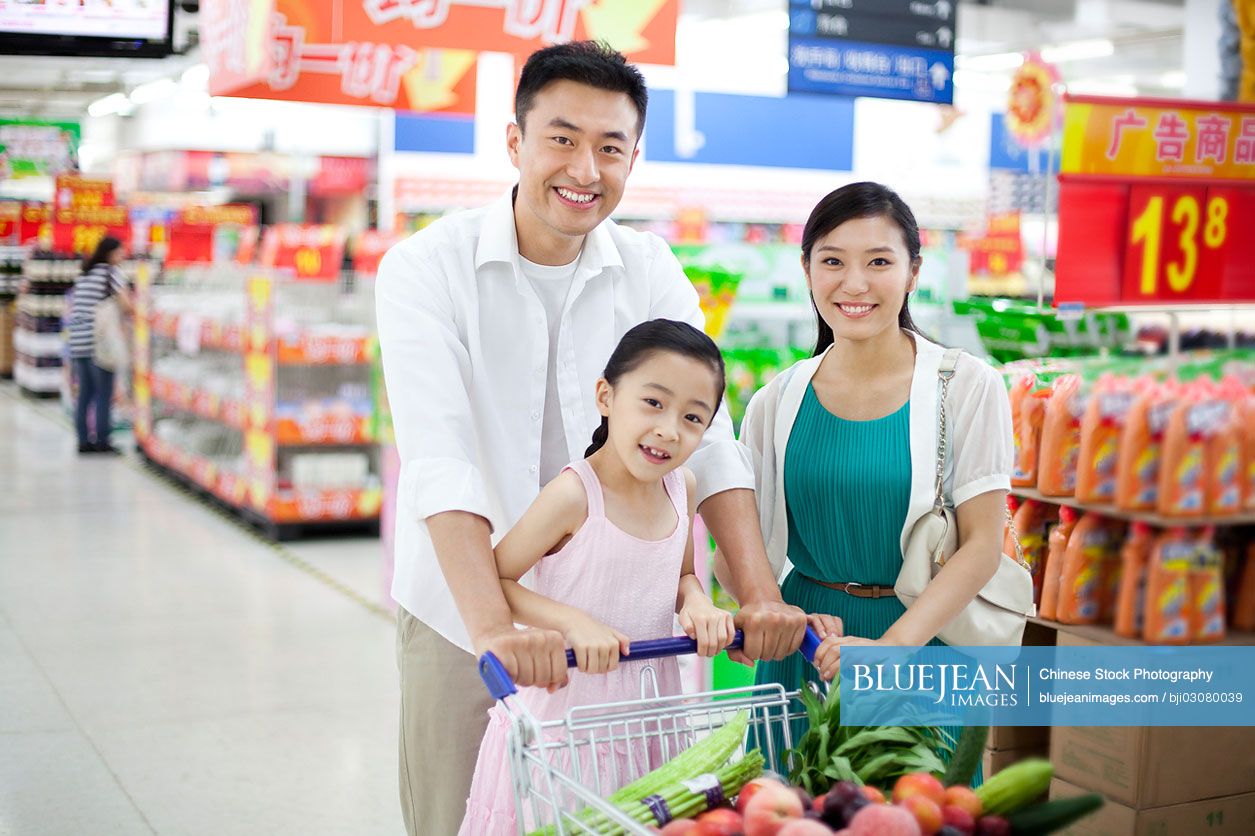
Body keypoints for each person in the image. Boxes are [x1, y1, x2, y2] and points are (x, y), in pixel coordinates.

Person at [375, 41, 809, 836]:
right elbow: (441, 461)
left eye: (610, 148)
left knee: (621, 821)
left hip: (625, 638)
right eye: (562, 139)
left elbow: (709, 439)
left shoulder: (647, 269)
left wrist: (756, 593)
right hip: (464, 604)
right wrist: (493, 631)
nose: (585, 168)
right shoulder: (426, 269)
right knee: (456, 819)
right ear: (515, 142)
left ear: (633, 158)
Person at [725, 180, 1011, 718]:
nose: (854, 283)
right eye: (832, 261)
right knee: (789, 801)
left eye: (879, 262)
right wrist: (774, 612)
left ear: (913, 274)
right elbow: (736, 549)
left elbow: (982, 546)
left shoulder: (969, 387)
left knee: (921, 803)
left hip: (924, 647)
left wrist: (894, 650)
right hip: (808, 650)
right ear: (807, 271)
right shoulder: (775, 401)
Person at [459, 319, 737, 833]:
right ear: (606, 396)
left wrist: (697, 602)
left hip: (652, 721)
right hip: (565, 731)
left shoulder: (684, 488)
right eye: (653, 403)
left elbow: (681, 576)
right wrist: (571, 621)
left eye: (693, 417)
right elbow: (494, 579)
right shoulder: (573, 495)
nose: (669, 430)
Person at [68, 236, 134, 455]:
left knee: (85, 394)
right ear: (110, 253)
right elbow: (126, 304)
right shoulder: (110, 273)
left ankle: (83, 442)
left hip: (78, 341)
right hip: (100, 342)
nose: (123, 256)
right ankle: (103, 442)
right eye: (120, 251)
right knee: (104, 394)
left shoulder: (85, 274)